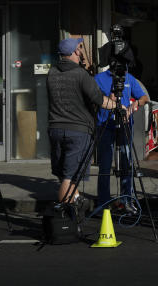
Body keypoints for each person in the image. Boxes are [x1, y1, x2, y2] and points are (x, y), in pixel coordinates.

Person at [47, 37, 118, 206]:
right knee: (69, 177)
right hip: (78, 131)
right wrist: (117, 105)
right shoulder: (80, 74)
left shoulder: (52, 73)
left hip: (55, 129)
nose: (80, 52)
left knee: (65, 173)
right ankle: (64, 218)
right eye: (78, 49)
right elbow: (100, 100)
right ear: (73, 53)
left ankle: (73, 208)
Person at [93, 63, 150, 211]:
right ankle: (103, 202)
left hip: (124, 125)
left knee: (127, 163)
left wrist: (136, 103)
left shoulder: (129, 78)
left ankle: (127, 201)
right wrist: (108, 99)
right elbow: (91, 99)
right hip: (105, 126)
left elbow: (144, 97)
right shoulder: (98, 79)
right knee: (105, 165)